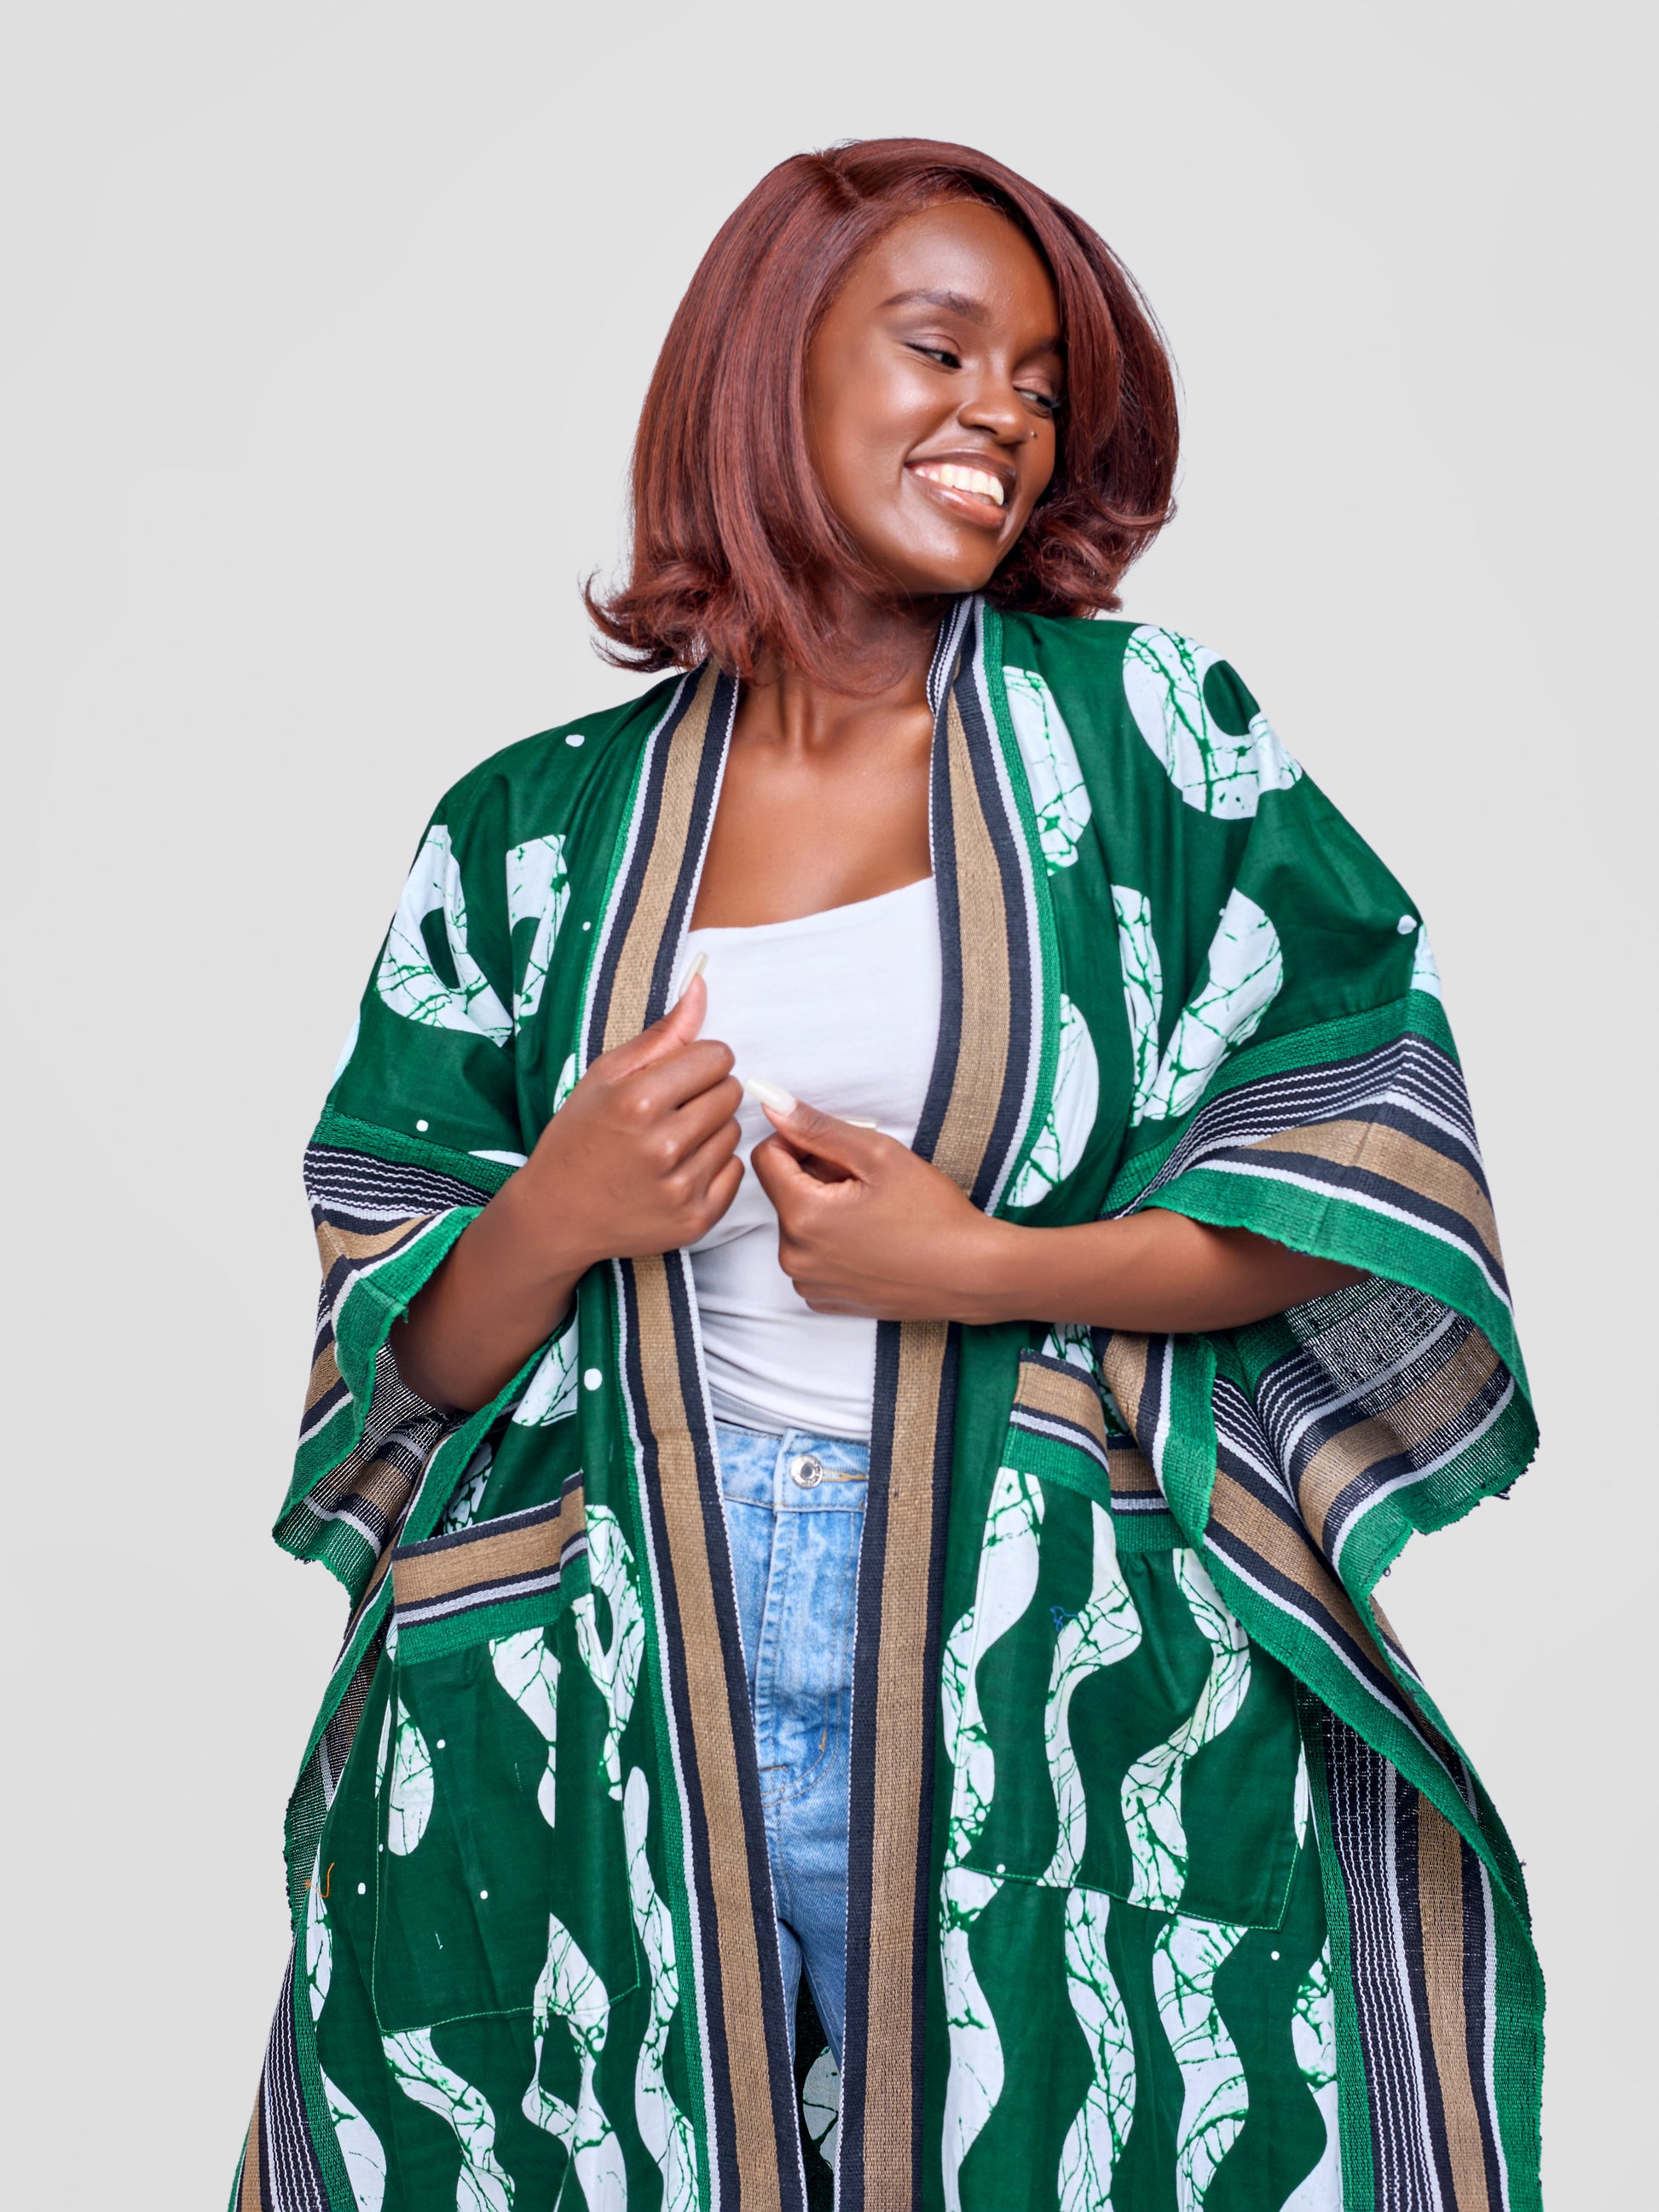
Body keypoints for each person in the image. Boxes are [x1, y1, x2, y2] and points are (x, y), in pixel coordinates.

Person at [234, 140, 1542, 2212]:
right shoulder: (528, 827)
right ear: (770, 365)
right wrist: (558, 1208)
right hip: (602, 1666)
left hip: (1038, 1659)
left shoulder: (1148, 743)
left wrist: (984, 1260)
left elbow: (1350, 1171)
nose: (1000, 415)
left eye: (1039, 382)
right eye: (941, 349)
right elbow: (407, 1366)